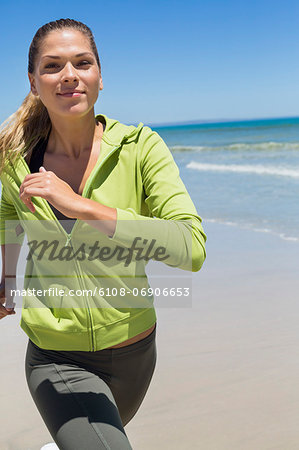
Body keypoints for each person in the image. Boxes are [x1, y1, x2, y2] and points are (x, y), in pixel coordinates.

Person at [0, 18, 206, 450]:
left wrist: (82, 206)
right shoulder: (15, 160)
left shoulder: (141, 148)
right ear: (34, 82)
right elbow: (8, 211)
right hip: (55, 355)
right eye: (53, 66)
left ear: (99, 76)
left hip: (135, 353)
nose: (69, 75)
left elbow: (190, 248)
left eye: (82, 62)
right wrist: (9, 280)